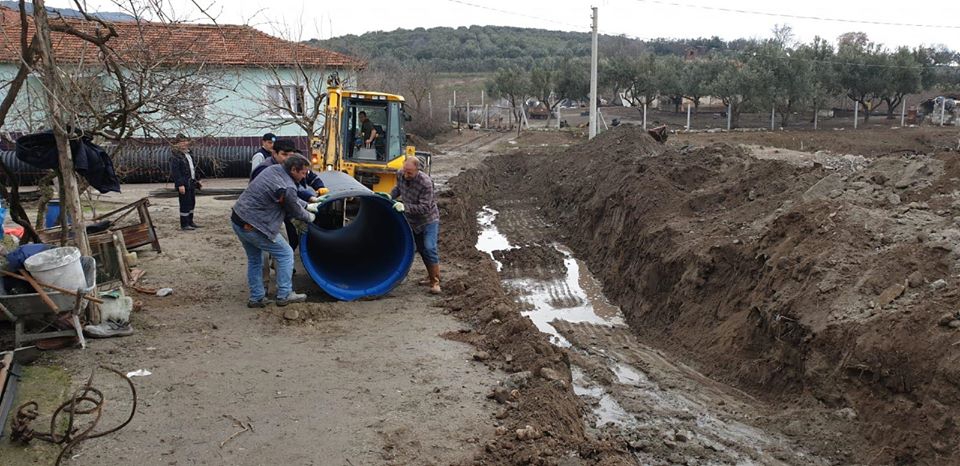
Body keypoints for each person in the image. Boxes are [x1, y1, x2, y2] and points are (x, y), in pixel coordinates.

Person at [231, 155, 320, 308]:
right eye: (303, 173)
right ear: (293, 170)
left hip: (238, 219)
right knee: (285, 253)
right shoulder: (287, 186)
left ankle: (257, 298)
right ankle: (285, 294)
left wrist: (306, 204)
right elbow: (293, 207)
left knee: (255, 259)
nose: (305, 176)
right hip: (254, 225)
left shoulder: (274, 170)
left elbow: (290, 198)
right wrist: (308, 216)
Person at [389, 156, 441, 294]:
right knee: (418, 249)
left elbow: (425, 207)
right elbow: (398, 188)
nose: (406, 174)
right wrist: (390, 196)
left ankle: (435, 282)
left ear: (418, 170)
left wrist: (405, 207)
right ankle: (429, 277)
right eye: (405, 170)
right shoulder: (400, 174)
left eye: (409, 172)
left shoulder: (426, 183)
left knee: (429, 247)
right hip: (411, 221)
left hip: (428, 220)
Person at [169, 133, 202, 231]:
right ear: (177, 144)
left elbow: (193, 168)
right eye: (181, 142)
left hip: (191, 182)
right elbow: (176, 172)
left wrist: (197, 180)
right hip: (183, 183)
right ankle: (184, 224)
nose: (184, 143)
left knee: (192, 202)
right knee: (185, 203)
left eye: (185, 141)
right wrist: (180, 184)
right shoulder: (175, 156)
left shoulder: (189, 154)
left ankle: (190, 221)